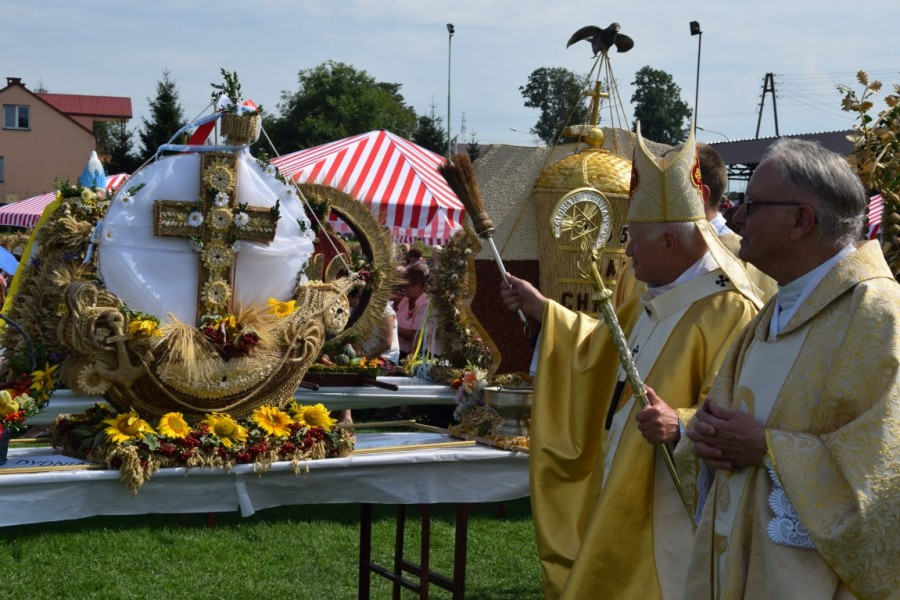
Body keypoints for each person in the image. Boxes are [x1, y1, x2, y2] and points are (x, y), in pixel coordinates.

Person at [501, 125, 763, 599]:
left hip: (667, 505)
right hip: (621, 474)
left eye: (634, 239)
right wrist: (543, 309)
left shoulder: (730, 308)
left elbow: (741, 410)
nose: (625, 251)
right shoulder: (653, 293)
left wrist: (680, 424)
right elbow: (601, 346)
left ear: (669, 242)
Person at [678, 138, 899, 599]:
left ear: (801, 219)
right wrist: (704, 436)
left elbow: (884, 474)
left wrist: (766, 449)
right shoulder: (777, 309)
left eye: (752, 205)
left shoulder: (879, 315)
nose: (735, 216)